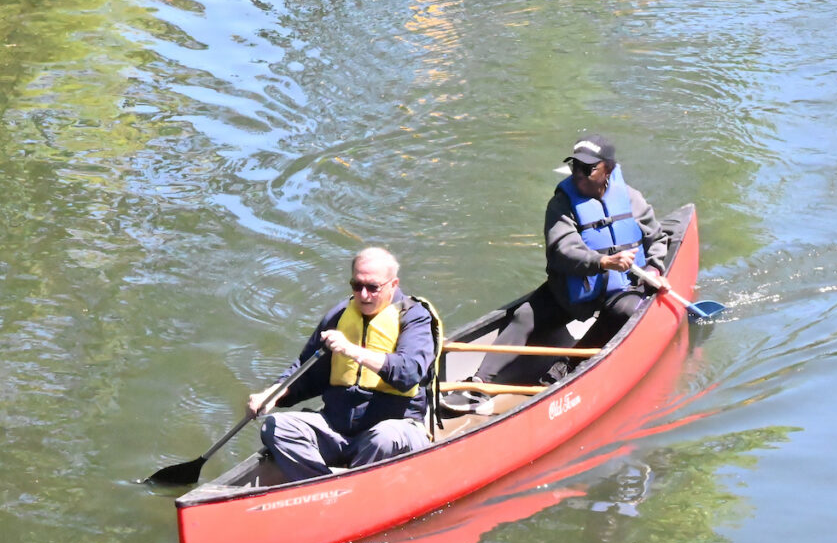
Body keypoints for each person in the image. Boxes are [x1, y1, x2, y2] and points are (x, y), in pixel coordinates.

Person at [477, 135, 671, 384]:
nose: (578, 173)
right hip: (574, 289)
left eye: (587, 168)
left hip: (621, 287)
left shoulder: (631, 199)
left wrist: (654, 268)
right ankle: (478, 382)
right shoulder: (561, 204)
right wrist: (603, 262)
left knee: (628, 312)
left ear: (608, 169)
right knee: (524, 315)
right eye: (574, 166)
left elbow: (657, 238)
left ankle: (568, 366)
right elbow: (562, 249)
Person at [253, 247, 441, 481]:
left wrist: (351, 350)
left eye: (373, 287)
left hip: (394, 429)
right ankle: (320, 486)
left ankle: (350, 490)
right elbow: (305, 371)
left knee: (383, 438)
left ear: (393, 284)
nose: (363, 294)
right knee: (276, 427)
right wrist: (272, 394)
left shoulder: (414, 317)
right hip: (337, 430)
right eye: (357, 285)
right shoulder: (339, 316)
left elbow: (409, 372)